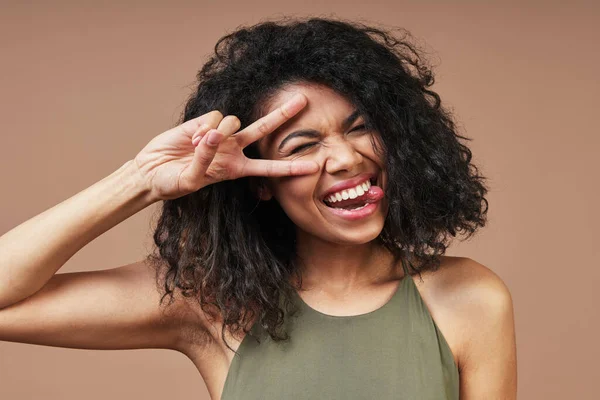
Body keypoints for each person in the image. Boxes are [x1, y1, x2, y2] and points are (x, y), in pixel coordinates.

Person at [0, 16, 517, 400]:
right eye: (302, 146)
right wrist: (142, 180)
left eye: (361, 127)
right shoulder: (208, 302)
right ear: (258, 182)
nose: (345, 158)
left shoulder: (469, 298)